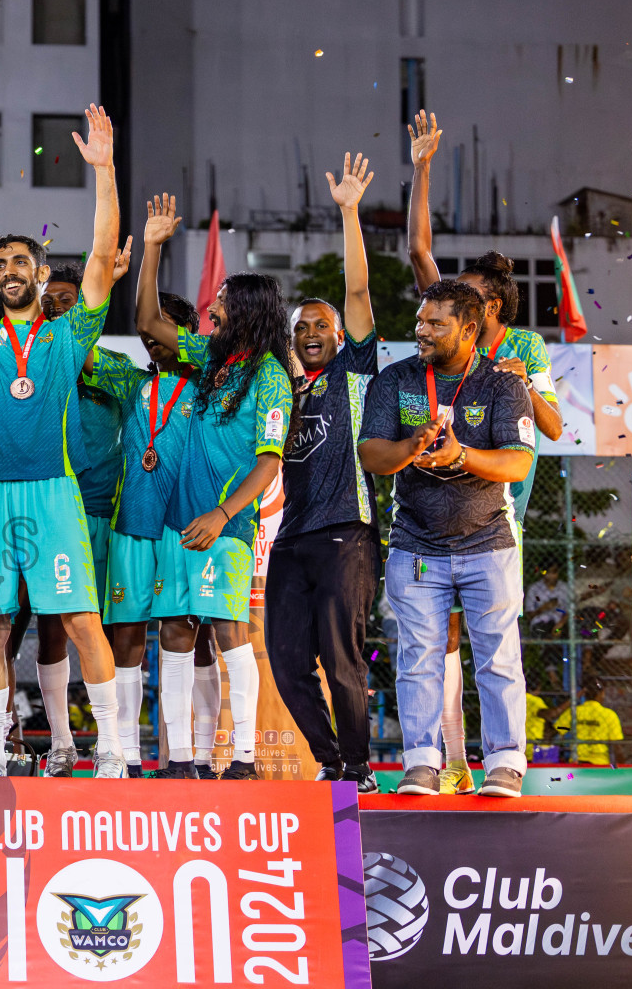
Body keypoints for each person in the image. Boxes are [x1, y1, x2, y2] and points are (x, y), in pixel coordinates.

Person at [0, 104, 126, 777]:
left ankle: (115, 750)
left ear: (40, 274)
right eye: (1, 261)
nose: (10, 268)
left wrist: (103, 173)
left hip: (52, 496)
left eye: (21, 260)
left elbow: (102, 255)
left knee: (78, 621)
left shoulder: (70, 336)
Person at [407, 110, 564, 793]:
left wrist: (522, 384)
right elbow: (418, 255)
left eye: (462, 299)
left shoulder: (521, 350)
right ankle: (453, 762)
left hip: (501, 515)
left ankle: (505, 761)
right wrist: (423, 168)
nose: (441, 307)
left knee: (491, 643)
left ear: (490, 307)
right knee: (435, 639)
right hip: (436, 511)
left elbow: (554, 429)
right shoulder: (444, 339)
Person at [136, 196, 295, 780]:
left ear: (247, 308)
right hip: (181, 522)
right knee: (175, 630)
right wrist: (153, 246)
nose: (213, 305)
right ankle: (180, 759)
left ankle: (245, 760)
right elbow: (151, 323)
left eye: (224, 298)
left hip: (224, 526)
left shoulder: (271, 377)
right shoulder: (210, 359)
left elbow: (269, 461)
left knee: (229, 630)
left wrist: (223, 514)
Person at [358, 279, 536, 798]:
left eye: (436, 323)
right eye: (420, 321)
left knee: (498, 657)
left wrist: (461, 456)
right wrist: (411, 445)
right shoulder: (396, 379)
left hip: (489, 543)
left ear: (470, 328)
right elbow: (370, 453)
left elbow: (519, 460)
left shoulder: (503, 385)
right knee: (417, 655)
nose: (422, 331)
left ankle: (504, 764)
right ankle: (422, 765)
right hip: (415, 543)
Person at [265, 153, 381, 793]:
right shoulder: (281, 386)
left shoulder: (354, 373)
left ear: (340, 336)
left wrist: (349, 212)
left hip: (347, 532)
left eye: (320, 325)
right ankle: (331, 758)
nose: (309, 331)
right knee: (286, 661)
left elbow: (358, 292)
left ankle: (358, 772)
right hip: (290, 539)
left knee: (341, 660)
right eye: (300, 326)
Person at [88, 203, 201, 776]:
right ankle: (126, 754)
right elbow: (77, 351)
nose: (156, 345)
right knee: (126, 634)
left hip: (184, 525)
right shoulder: (128, 380)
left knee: (180, 631)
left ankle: (178, 754)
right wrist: (103, 285)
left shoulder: (210, 388)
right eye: (149, 337)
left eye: (166, 335)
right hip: (130, 522)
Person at [37, 259, 129, 777]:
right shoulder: (30, 363)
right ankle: (61, 743)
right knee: (51, 628)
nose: (56, 311)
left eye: (67, 302)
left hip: (100, 513)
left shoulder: (114, 366)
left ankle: (112, 746)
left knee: (101, 632)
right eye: (49, 303)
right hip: (48, 510)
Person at [546, 676, 624, 766]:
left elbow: (557, 729)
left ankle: (568, 779)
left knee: (568, 778)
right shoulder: (609, 715)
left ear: (584, 694)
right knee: (598, 779)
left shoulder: (574, 712)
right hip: (599, 765)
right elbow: (616, 746)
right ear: (602, 693)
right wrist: (622, 766)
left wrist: (568, 729)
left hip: (576, 762)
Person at [525, 562, 569, 636]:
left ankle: (556, 645)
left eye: (554, 572)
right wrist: (542, 608)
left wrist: (560, 625)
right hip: (541, 621)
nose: (551, 576)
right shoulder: (534, 589)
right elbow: (529, 615)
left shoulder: (564, 588)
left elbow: (569, 611)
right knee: (540, 631)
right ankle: (546, 646)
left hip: (560, 622)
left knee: (565, 631)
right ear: (543, 573)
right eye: (548, 573)